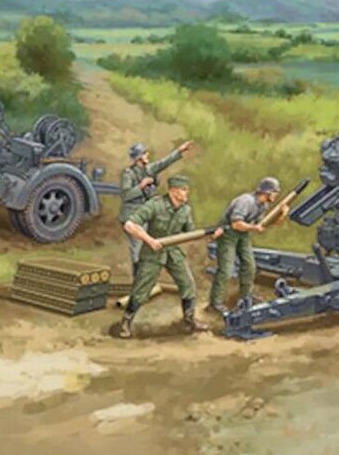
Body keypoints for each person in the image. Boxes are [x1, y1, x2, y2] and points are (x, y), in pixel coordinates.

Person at [116, 175, 222, 339]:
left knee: (188, 284)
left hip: (173, 251)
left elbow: (190, 233)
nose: (187, 193)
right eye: (184, 190)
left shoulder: (185, 210)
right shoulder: (155, 205)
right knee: (141, 289)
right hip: (152, 252)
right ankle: (126, 322)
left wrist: (211, 235)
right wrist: (150, 240)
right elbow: (130, 225)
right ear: (173, 191)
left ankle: (189, 320)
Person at [208, 177, 289, 314]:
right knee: (226, 269)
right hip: (227, 234)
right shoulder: (246, 201)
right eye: (275, 192)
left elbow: (263, 224)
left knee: (250, 266)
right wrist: (254, 228)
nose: (276, 195)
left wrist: (282, 215)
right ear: (267, 192)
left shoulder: (263, 205)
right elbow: (236, 224)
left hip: (243, 234)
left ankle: (246, 297)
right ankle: (215, 303)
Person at [118, 140, 193, 280]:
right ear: (138, 157)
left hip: (146, 215)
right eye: (144, 153)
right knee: (137, 250)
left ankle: (145, 280)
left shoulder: (148, 169)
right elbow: (126, 196)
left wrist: (179, 151)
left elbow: (164, 163)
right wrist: (141, 186)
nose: (147, 154)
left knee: (148, 248)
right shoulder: (128, 174)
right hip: (132, 216)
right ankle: (138, 280)